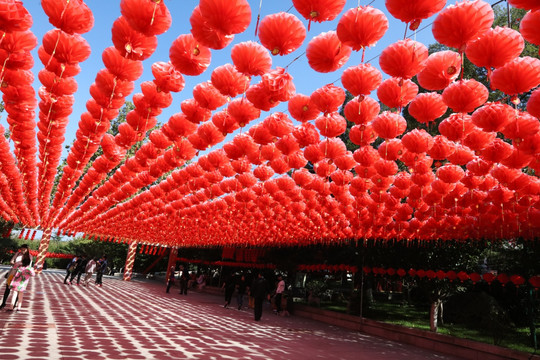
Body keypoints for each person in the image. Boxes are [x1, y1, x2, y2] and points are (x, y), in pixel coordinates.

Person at [1, 244, 31, 309]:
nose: (22, 251)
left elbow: (28, 265)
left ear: (27, 249)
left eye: (24, 249)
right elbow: (11, 261)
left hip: (21, 273)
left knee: (18, 289)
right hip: (13, 271)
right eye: (22, 249)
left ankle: (14, 304)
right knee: (7, 287)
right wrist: (14, 263)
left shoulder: (29, 256)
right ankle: (3, 303)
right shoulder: (17, 254)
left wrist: (20, 265)